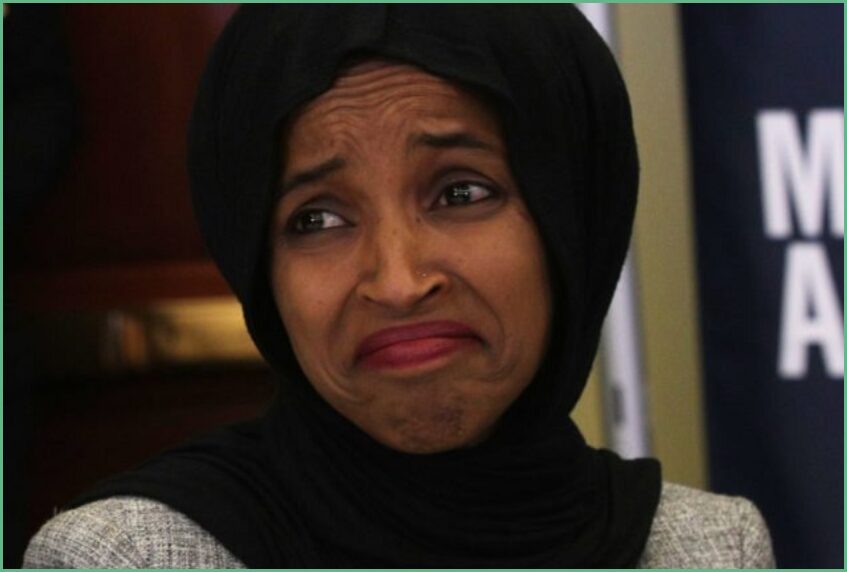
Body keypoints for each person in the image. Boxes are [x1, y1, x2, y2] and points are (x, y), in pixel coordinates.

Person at [24, 5, 774, 568]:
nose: (399, 282)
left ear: (570, 217)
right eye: (317, 218)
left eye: (460, 193)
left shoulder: (706, 549)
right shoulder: (131, 557)